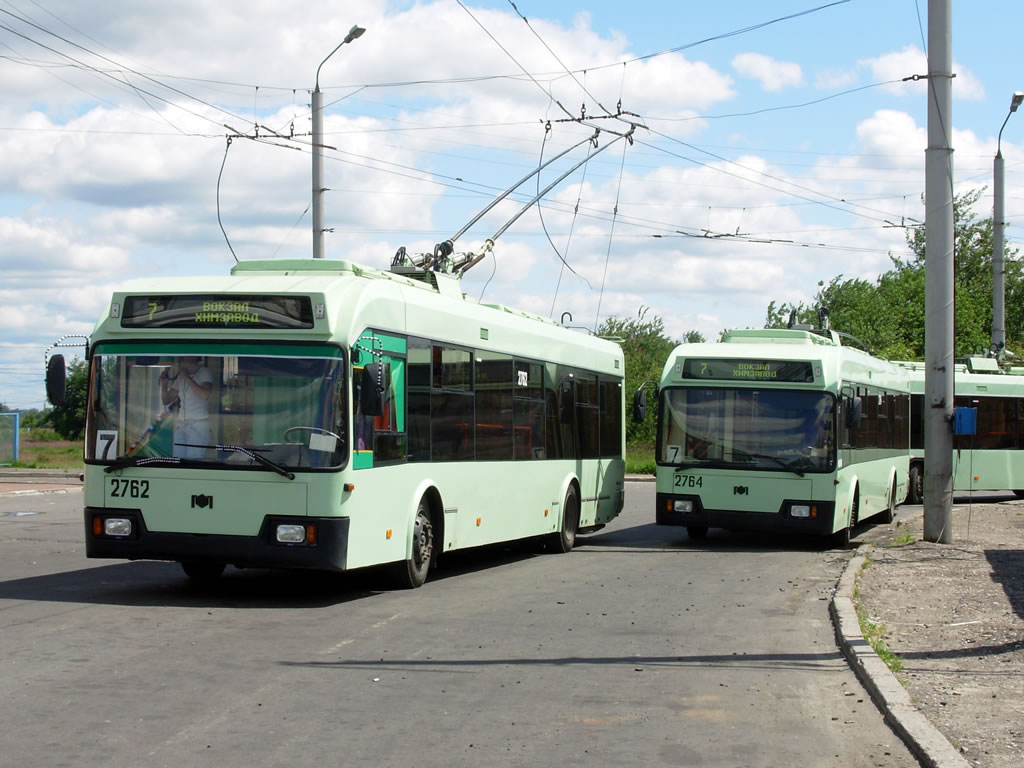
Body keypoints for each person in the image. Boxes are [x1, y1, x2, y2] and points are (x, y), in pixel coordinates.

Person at [159, 356, 213, 459]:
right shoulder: (181, 377)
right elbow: (166, 400)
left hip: (197, 425)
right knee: (177, 460)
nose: (182, 361)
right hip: (181, 424)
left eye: (184, 358)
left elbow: (204, 395)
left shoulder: (204, 372)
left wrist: (187, 377)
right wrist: (164, 385)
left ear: (194, 358)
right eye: (182, 358)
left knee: (193, 461)